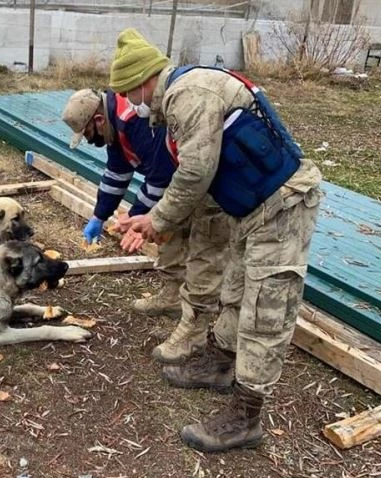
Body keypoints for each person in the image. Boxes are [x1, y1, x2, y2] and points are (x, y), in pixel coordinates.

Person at [109, 28, 322, 452]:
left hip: (281, 206)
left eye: (128, 92)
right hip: (249, 208)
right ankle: (220, 364)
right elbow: (196, 175)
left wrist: (158, 220)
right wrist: (155, 219)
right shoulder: (178, 99)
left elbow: (196, 171)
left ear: (143, 80)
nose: (130, 103)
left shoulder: (189, 94)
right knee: (235, 290)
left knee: (265, 311)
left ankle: (246, 417)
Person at [62, 88, 229, 361]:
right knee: (165, 227)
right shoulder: (115, 127)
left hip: (202, 179)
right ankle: (172, 295)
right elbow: (116, 174)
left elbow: (160, 177)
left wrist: (138, 217)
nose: (92, 141)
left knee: (199, 243)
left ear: (99, 121)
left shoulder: (135, 122)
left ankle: (197, 328)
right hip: (178, 181)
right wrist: (99, 216)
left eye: (89, 134)